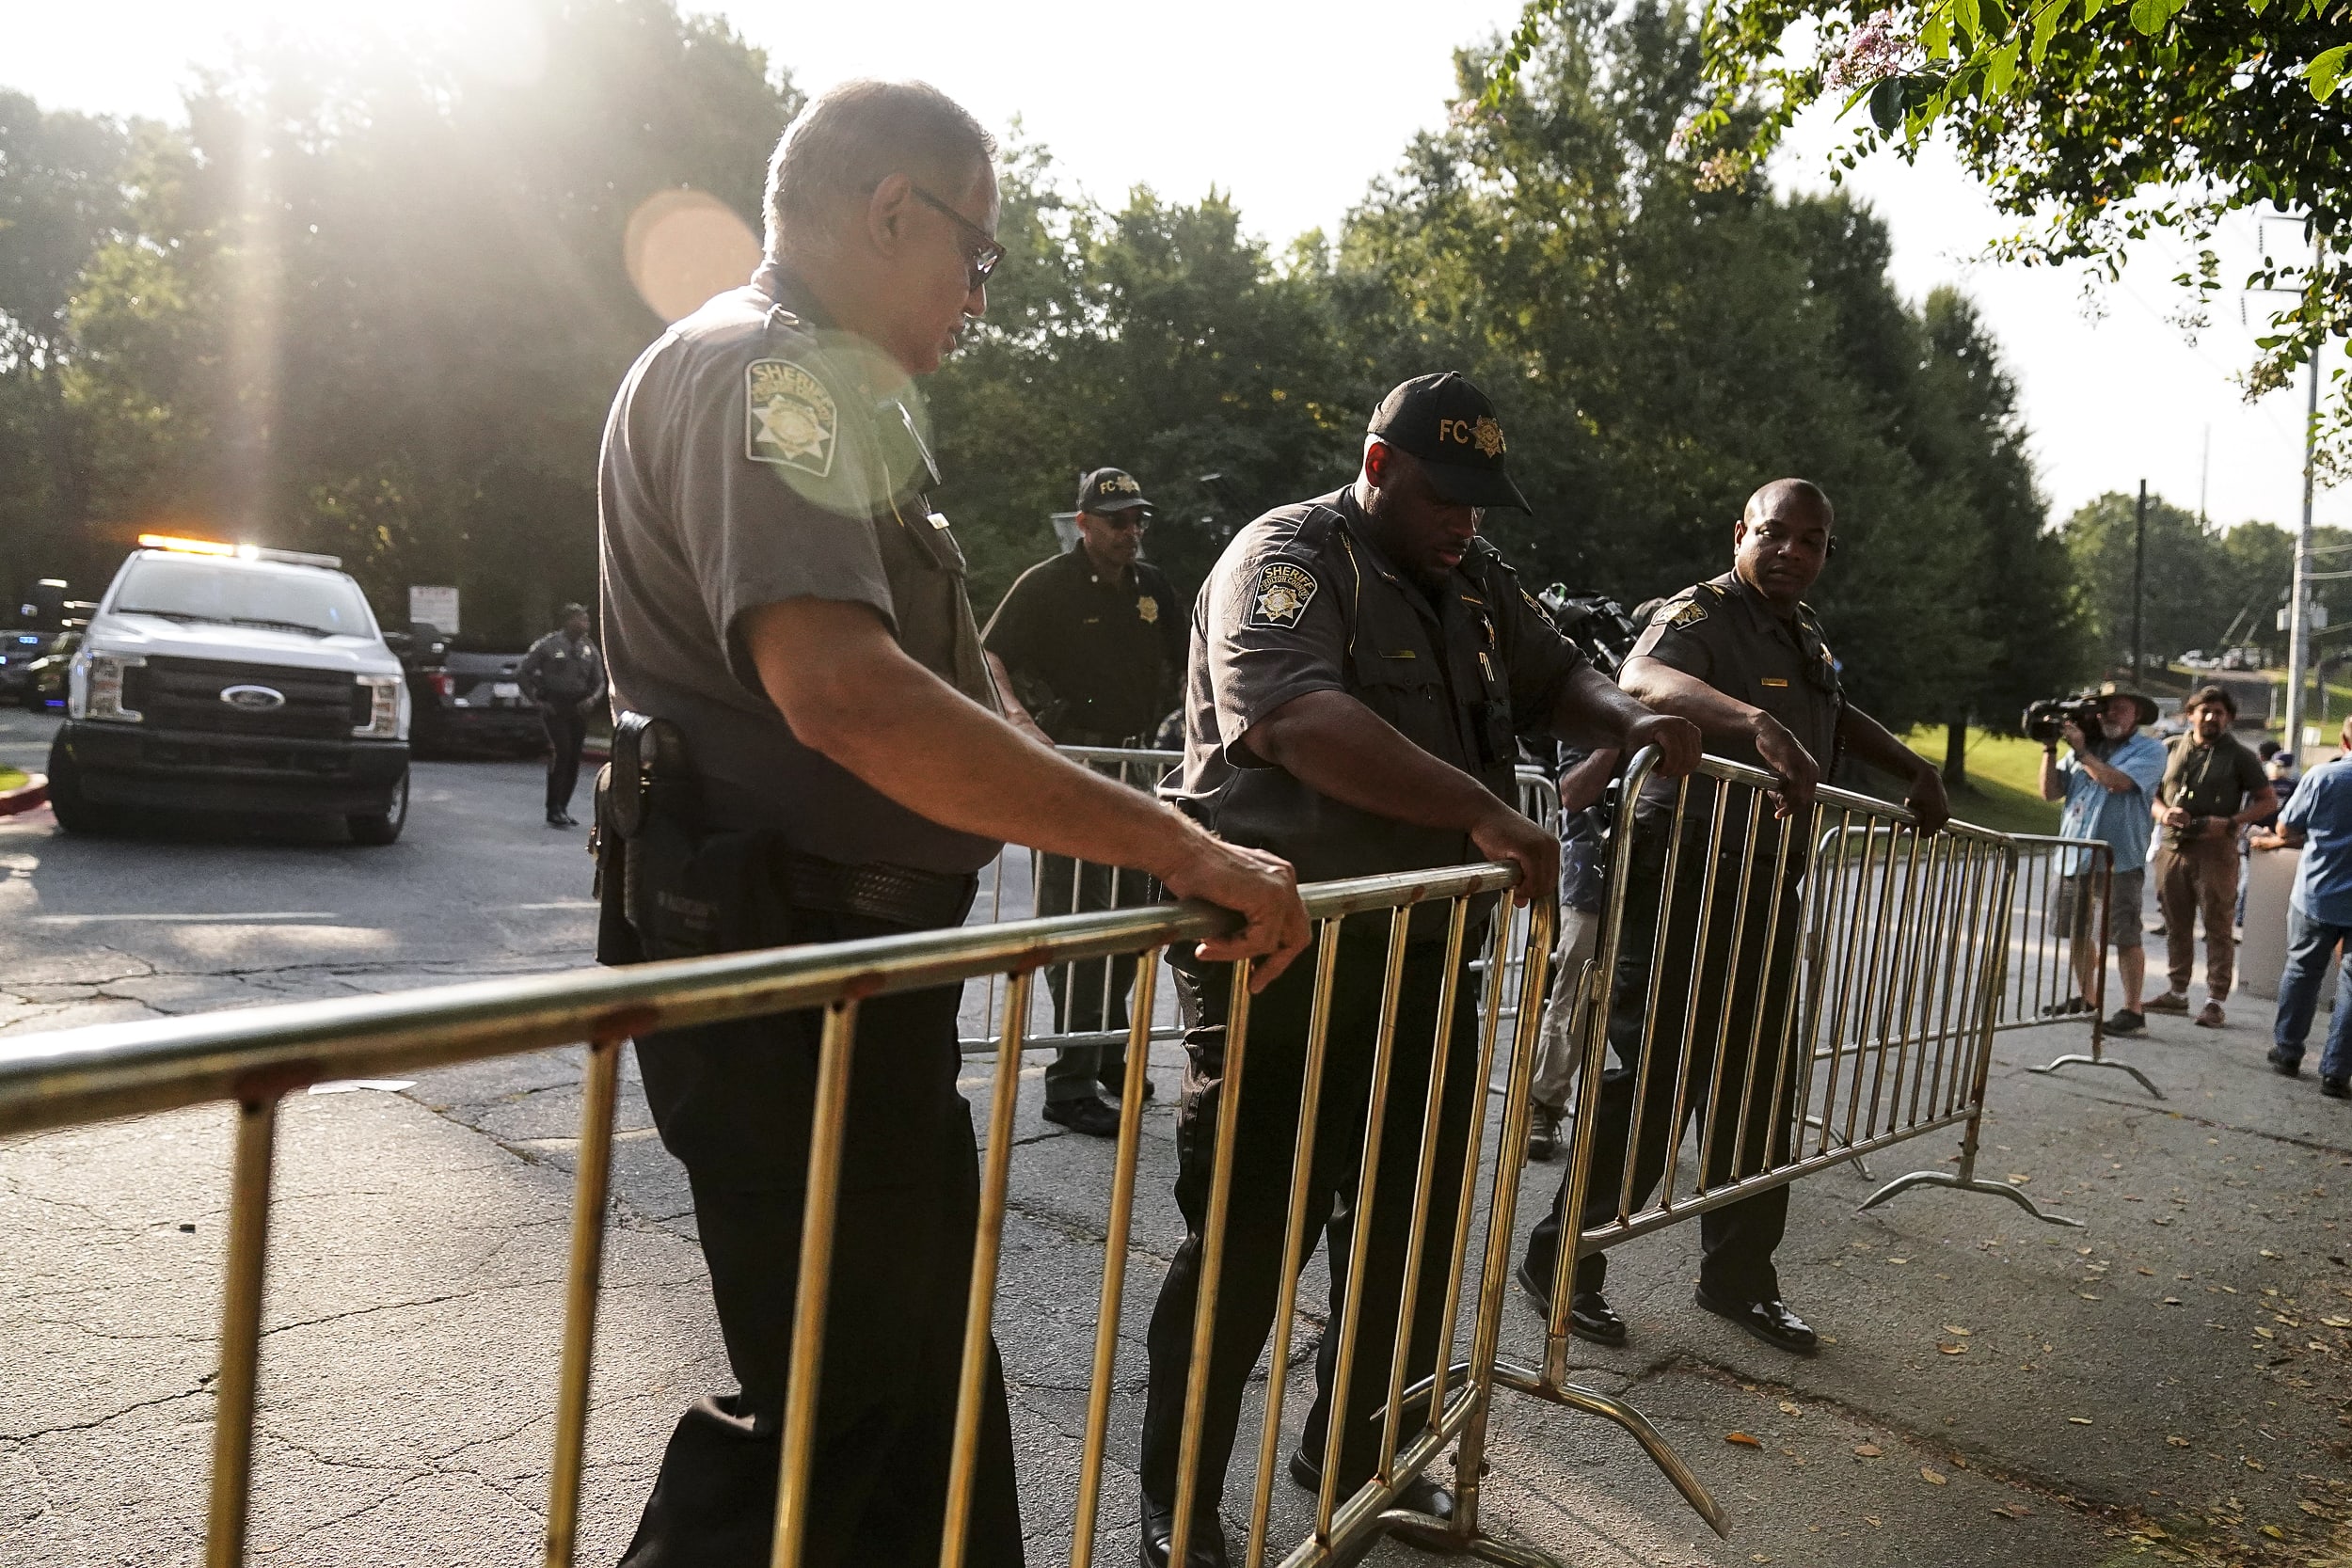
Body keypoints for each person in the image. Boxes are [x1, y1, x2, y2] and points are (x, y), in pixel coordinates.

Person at [594, 80, 1310, 1568]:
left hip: (850, 960)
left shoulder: (847, 404)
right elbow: (846, 694)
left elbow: (949, 668)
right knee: (836, 1400)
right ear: (890, 212)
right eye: (976, 256)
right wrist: (1175, 845)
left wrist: (1090, 789)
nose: (980, 298)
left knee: (924, 1382)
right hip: (782, 954)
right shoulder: (766, 378)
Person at [1138, 372, 1700, 1566]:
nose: (1466, 523)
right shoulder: (1289, 558)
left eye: (1484, 505)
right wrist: (1485, 813)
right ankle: (1176, 1501)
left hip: (1427, 958)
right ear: (1379, 466)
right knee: (1249, 1240)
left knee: (1407, 1227)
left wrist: (1627, 717)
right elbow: (1289, 714)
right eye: (1447, 497)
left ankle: (1355, 1459)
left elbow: (1560, 676)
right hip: (1283, 961)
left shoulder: (1479, 583)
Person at [1520, 478, 1952, 1361]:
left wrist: (1912, 766)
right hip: (1679, 876)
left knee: (1760, 1087)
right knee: (1650, 1084)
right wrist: (1754, 720)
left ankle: (1739, 1279)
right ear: (1740, 535)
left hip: (1761, 884)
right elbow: (1639, 677)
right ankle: (1560, 1259)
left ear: (1828, 551)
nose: (1793, 550)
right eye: (1776, 534)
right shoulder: (1702, 611)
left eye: (1812, 540)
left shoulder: (1805, 632)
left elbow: (1832, 714)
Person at [982, 467, 1190, 1135]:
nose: (1131, 532)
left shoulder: (1150, 587)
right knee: (1077, 922)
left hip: (1136, 766)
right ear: (1083, 524)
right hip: (1071, 765)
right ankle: (1068, 1084)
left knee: (1132, 921)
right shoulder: (1048, 585)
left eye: (1137, 520)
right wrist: (1015, 719)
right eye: (1116, 521)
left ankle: (1102, 1051)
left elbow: (1196, 659)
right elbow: (990, 656)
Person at [2038, 683, 2169, 1034]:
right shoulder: (2085, 747)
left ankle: (2133, 1009)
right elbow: (2050, 792)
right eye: (2103, 708)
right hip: (2074, 855)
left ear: (2137, 714)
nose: (2108, 714)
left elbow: (2117, 783)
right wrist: (2051, 748)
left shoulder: (2150, 750)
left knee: (2124, 935)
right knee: (2078, 931)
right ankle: (2088, 997)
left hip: (2118, 860)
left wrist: (2082, 754)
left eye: (2118, 708)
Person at [2145, 684, 2274, 1027]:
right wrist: (2162, 814)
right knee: (2176, 923)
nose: (2211, 717)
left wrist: (2232, 822)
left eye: (2219, 712)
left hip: (2216, 851)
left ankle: (2215, 1000)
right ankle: (2177, 992)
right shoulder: (2170, 748)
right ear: (2190, 714)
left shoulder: (2241, 756)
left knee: (2218, 927)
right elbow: (2151, 794)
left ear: (2228, 718)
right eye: (2204, 710)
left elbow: (2267, 800)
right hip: (2173, 847)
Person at [1524, 741, 1619, 1161]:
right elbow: (1573, 792)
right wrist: (1621, 736)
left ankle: (1638, 1117)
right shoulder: (1596, 690)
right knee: (1576, 991)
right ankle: (1543, 1105)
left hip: (1664, 864)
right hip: (1592, 870)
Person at [2252, 716, 2352, 1099]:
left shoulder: (2321, 778)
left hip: (2318, 893)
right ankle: (2337, 1072)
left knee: (2301, 972)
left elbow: (2285, 827)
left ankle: (2288, 1052)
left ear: (2343, 743)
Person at [516, 602, 607, 828]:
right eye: (580, 618)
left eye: (586, 619)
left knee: (574, 757)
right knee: (562, 752)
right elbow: (523, 672)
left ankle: (563, 807)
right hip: (555, 706)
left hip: (579, 708)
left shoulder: (588, 648)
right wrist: (536, 701)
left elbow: (600, 681)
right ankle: (553, 807)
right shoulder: (548, 645)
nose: (585, 623)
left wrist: (592, 699)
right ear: (567, 621)